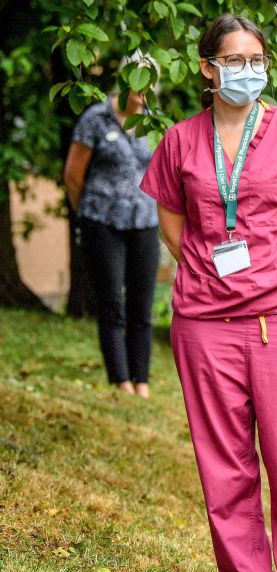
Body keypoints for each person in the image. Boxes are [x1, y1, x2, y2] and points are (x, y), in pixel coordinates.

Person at [140, 14, 277, 572]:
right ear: (208, 68)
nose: (248, 71)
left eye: (257, 60)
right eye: (235, 60)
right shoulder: (179, 140)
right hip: (204, 319)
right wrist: (209, 276)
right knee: (224, 461)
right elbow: (174, 227)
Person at [63, 58, 160, 397]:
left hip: (146, 221)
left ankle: (142, 383)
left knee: (141, 305)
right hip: (102, 221)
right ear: (125, 79)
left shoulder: (152, 123)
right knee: (111, 304)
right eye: (140, 79)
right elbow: (74, 176)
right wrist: (87, 215)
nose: (146, 88)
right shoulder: (95, 118)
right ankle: (121, 382)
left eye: (152, 81)